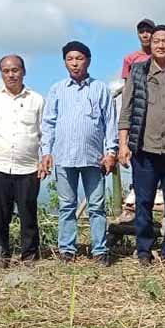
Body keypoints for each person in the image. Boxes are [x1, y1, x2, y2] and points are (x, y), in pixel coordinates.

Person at [118, 24, 165, 267]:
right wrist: (123, 144)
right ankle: (144, 251)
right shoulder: (138, 71)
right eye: (157, 41)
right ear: (150, 44)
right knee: (143, 202)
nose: (161, 45)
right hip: (144, 149)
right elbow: (127, 109)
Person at [41, 42, 118, 266]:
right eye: (70, 59)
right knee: (67, 205)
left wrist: (111, 151)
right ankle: (67, 249)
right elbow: (48, 123)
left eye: (79, 58)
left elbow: (110, 122)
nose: (74, 63)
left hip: (93, 158)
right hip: (64, 157)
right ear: (65, 62)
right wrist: (46, 152)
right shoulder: (57, 89)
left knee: (96, 206)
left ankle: (99, 250)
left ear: (88, 61)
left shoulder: (100, 88)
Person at [0, 54, 46, 268]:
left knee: (28, 213)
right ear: (1, 74)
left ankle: (30, 255)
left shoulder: (37, 99)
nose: (11, 75)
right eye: (6, 71)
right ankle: (0, 255)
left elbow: (44, 133)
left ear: (23, 71)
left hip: (28, 166)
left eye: (15, 70)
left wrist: (43, 160)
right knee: (0, 214)